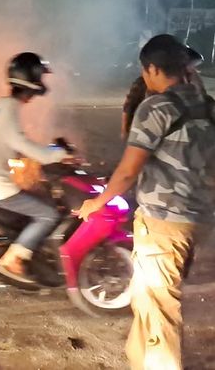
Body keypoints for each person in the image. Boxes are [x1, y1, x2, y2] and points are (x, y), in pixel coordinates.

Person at [78, 35, 215, 370]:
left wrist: (97, 202)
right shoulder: (208, 106)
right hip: (203, 220)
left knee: (158, 309)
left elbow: (128, 170)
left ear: (152, 68)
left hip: (165, 224)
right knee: (150, 300)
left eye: (145, 71)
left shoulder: (157, 108)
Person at [0, 52, 70, 283]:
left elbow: (9, 142)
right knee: (48, 214)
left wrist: (44, 151)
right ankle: (13, 259)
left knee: (38, 195)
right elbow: (22, 144)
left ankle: (26, 249)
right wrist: (58, 153)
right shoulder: (9, 109)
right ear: (32, 80)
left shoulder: (1, 105)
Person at [121, 43, 206, 139]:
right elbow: (129, 105)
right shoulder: (143, 83)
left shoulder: (190, 84)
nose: (192, 72)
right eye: (188, 67)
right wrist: (125, 130)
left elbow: (201, 100)